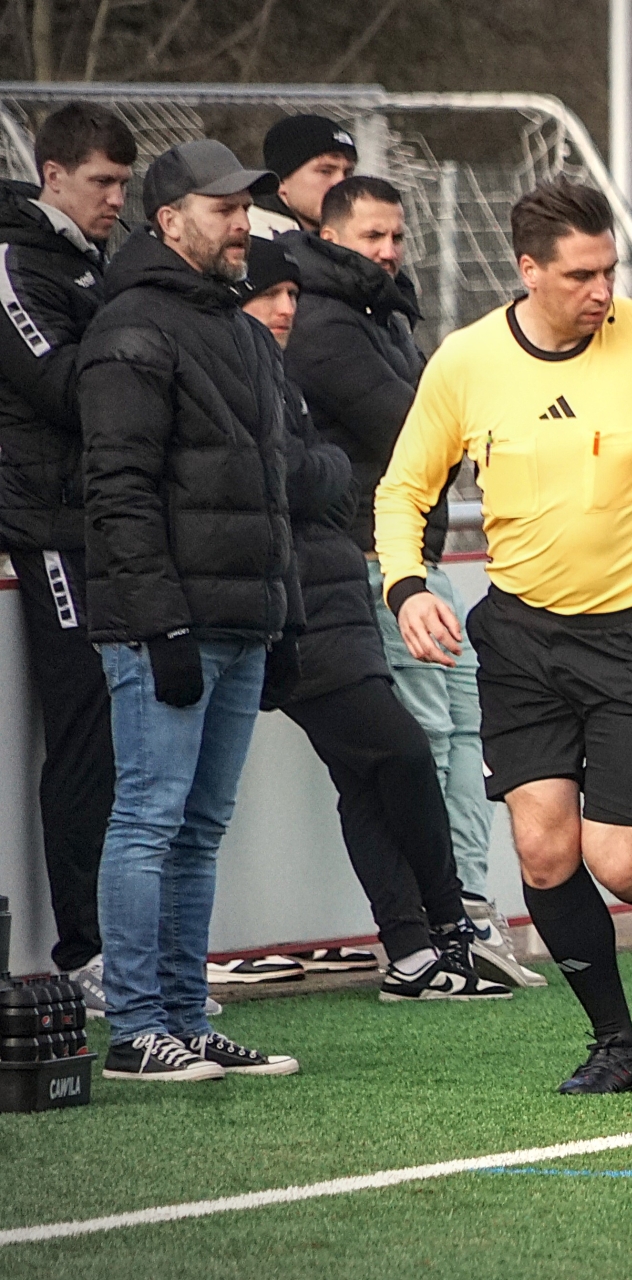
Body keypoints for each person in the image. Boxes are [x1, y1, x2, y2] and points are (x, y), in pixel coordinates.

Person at [375, 179, 632, 1094]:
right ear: (529, 270)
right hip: (520, 640)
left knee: (619, 861)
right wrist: (406, 587)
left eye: (609, 270)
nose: (602, 290)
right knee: (546, 852)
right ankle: (616, 1043)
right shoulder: (467, 363)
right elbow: (403, 489)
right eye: (582, 275)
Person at [79, 140, 304, 1082]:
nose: (242, 222)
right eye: (223, 208)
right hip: (165, 626)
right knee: (149, 820)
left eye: (246, 207)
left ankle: (183, 1016)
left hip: (240, 621)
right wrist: (161, 624)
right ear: (169, 220)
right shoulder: (132, 326)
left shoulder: (239, 330)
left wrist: (283, 616)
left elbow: (272, 486)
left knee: (198, 828)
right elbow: (118, 489)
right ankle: (137, 1029)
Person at [238, 235, 511, 1003]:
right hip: (298, 606)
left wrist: (320, 473)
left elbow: (322, 475)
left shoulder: (277, 369)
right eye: (270, 294)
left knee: (366, 777)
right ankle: (449, 925)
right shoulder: (240, 367)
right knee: (402, 753)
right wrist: (322, 472)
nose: (285, 308)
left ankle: (414, 954)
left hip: (332, 595)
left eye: (292, 294)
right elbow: (286, 475)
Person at [0, 104, 134, 1013]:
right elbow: (59, 385)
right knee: (84, 732)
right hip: (52, 529)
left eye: (123, 183)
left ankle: (131, 949)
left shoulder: (98, 263)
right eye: (101, 182)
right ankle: (84, 951)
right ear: (53, 175)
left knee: (127, 739)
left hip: (113, 526)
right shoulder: (17, 263)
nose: (115, 199)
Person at [248, 114, 356, 237]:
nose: (341, 183)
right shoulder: (250, 238)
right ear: (280, 181)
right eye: (325, 171)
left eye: (348, 173)